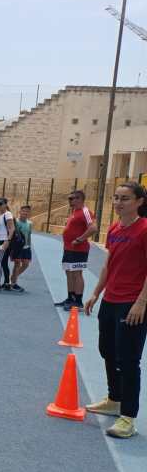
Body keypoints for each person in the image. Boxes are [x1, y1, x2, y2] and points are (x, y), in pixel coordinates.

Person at [84, 182, 147, 438]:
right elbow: (108, 265)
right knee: (107, 350)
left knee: (128, 360)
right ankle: (114, 399)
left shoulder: (144, 229)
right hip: (111, 299)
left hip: (132, 303)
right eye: (116, 198)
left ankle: (128, 417)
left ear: (139, 201)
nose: (119, 203)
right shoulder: (113, 228)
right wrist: (96, 292)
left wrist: (141, 302)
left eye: (125, 198)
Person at [56, 189, 97, 309]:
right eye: (69, 198)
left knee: (77, 273)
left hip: (79, 249)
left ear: (79, 199)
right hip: (68, 248)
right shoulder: (75, 211)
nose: (69, 201)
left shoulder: (85, 211)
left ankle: (78, 302)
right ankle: (70, 298)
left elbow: (93, 228)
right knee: (69, 273)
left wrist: (79, 239)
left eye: (71, 198)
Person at [10, 205, 33, 292]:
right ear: (20, 212)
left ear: (29, 213)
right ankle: (14, 283)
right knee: (17, 265)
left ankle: (13, 277)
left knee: (26, 264)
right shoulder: (15, 222)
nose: (25, 213)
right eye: (23, 211)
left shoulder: (30, 223)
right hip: (17, 247)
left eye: (27, 211)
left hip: (26, 247)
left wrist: (29, 246)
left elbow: (29, 235)